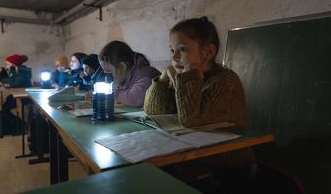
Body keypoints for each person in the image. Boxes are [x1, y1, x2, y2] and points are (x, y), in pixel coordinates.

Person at [143, 17, 254, 185]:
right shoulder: (183, 78)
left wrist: (188, 77)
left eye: (182, 49)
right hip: (190, 153)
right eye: (171, 50)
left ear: (208, 52)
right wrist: (164, 78)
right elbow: (152, 110)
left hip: (227, 165)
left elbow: (191, 120)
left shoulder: (225, 80)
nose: (174, 56)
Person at [99, 41, 160, 107]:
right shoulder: (125, 77)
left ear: (122, 67)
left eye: (109, 71)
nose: (108, 77)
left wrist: (113, 94)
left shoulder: (145, 74)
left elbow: (137, 98)